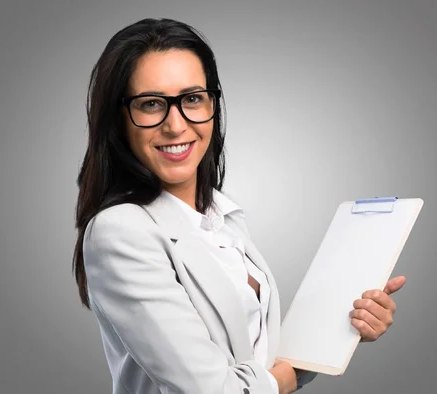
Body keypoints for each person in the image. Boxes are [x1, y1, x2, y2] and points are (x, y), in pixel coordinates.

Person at [72, 18, 406, 394]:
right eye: (151, 104)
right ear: (118, 120)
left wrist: (341, 330)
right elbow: (210, 389)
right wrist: (279, 381)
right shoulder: (120, 230)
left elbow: (258, 360)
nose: (176, 125)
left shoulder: (221, 217)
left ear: (213, 104)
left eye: (192, 99)